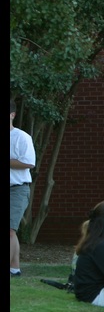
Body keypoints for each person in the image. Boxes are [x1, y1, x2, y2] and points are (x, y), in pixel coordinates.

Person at [10, 100, 35, 277]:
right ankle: (15, 268)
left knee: (10, 230)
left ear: (12, 115)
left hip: (17, 189)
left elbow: (28, 163)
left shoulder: (22, 137)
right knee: (11, 231)